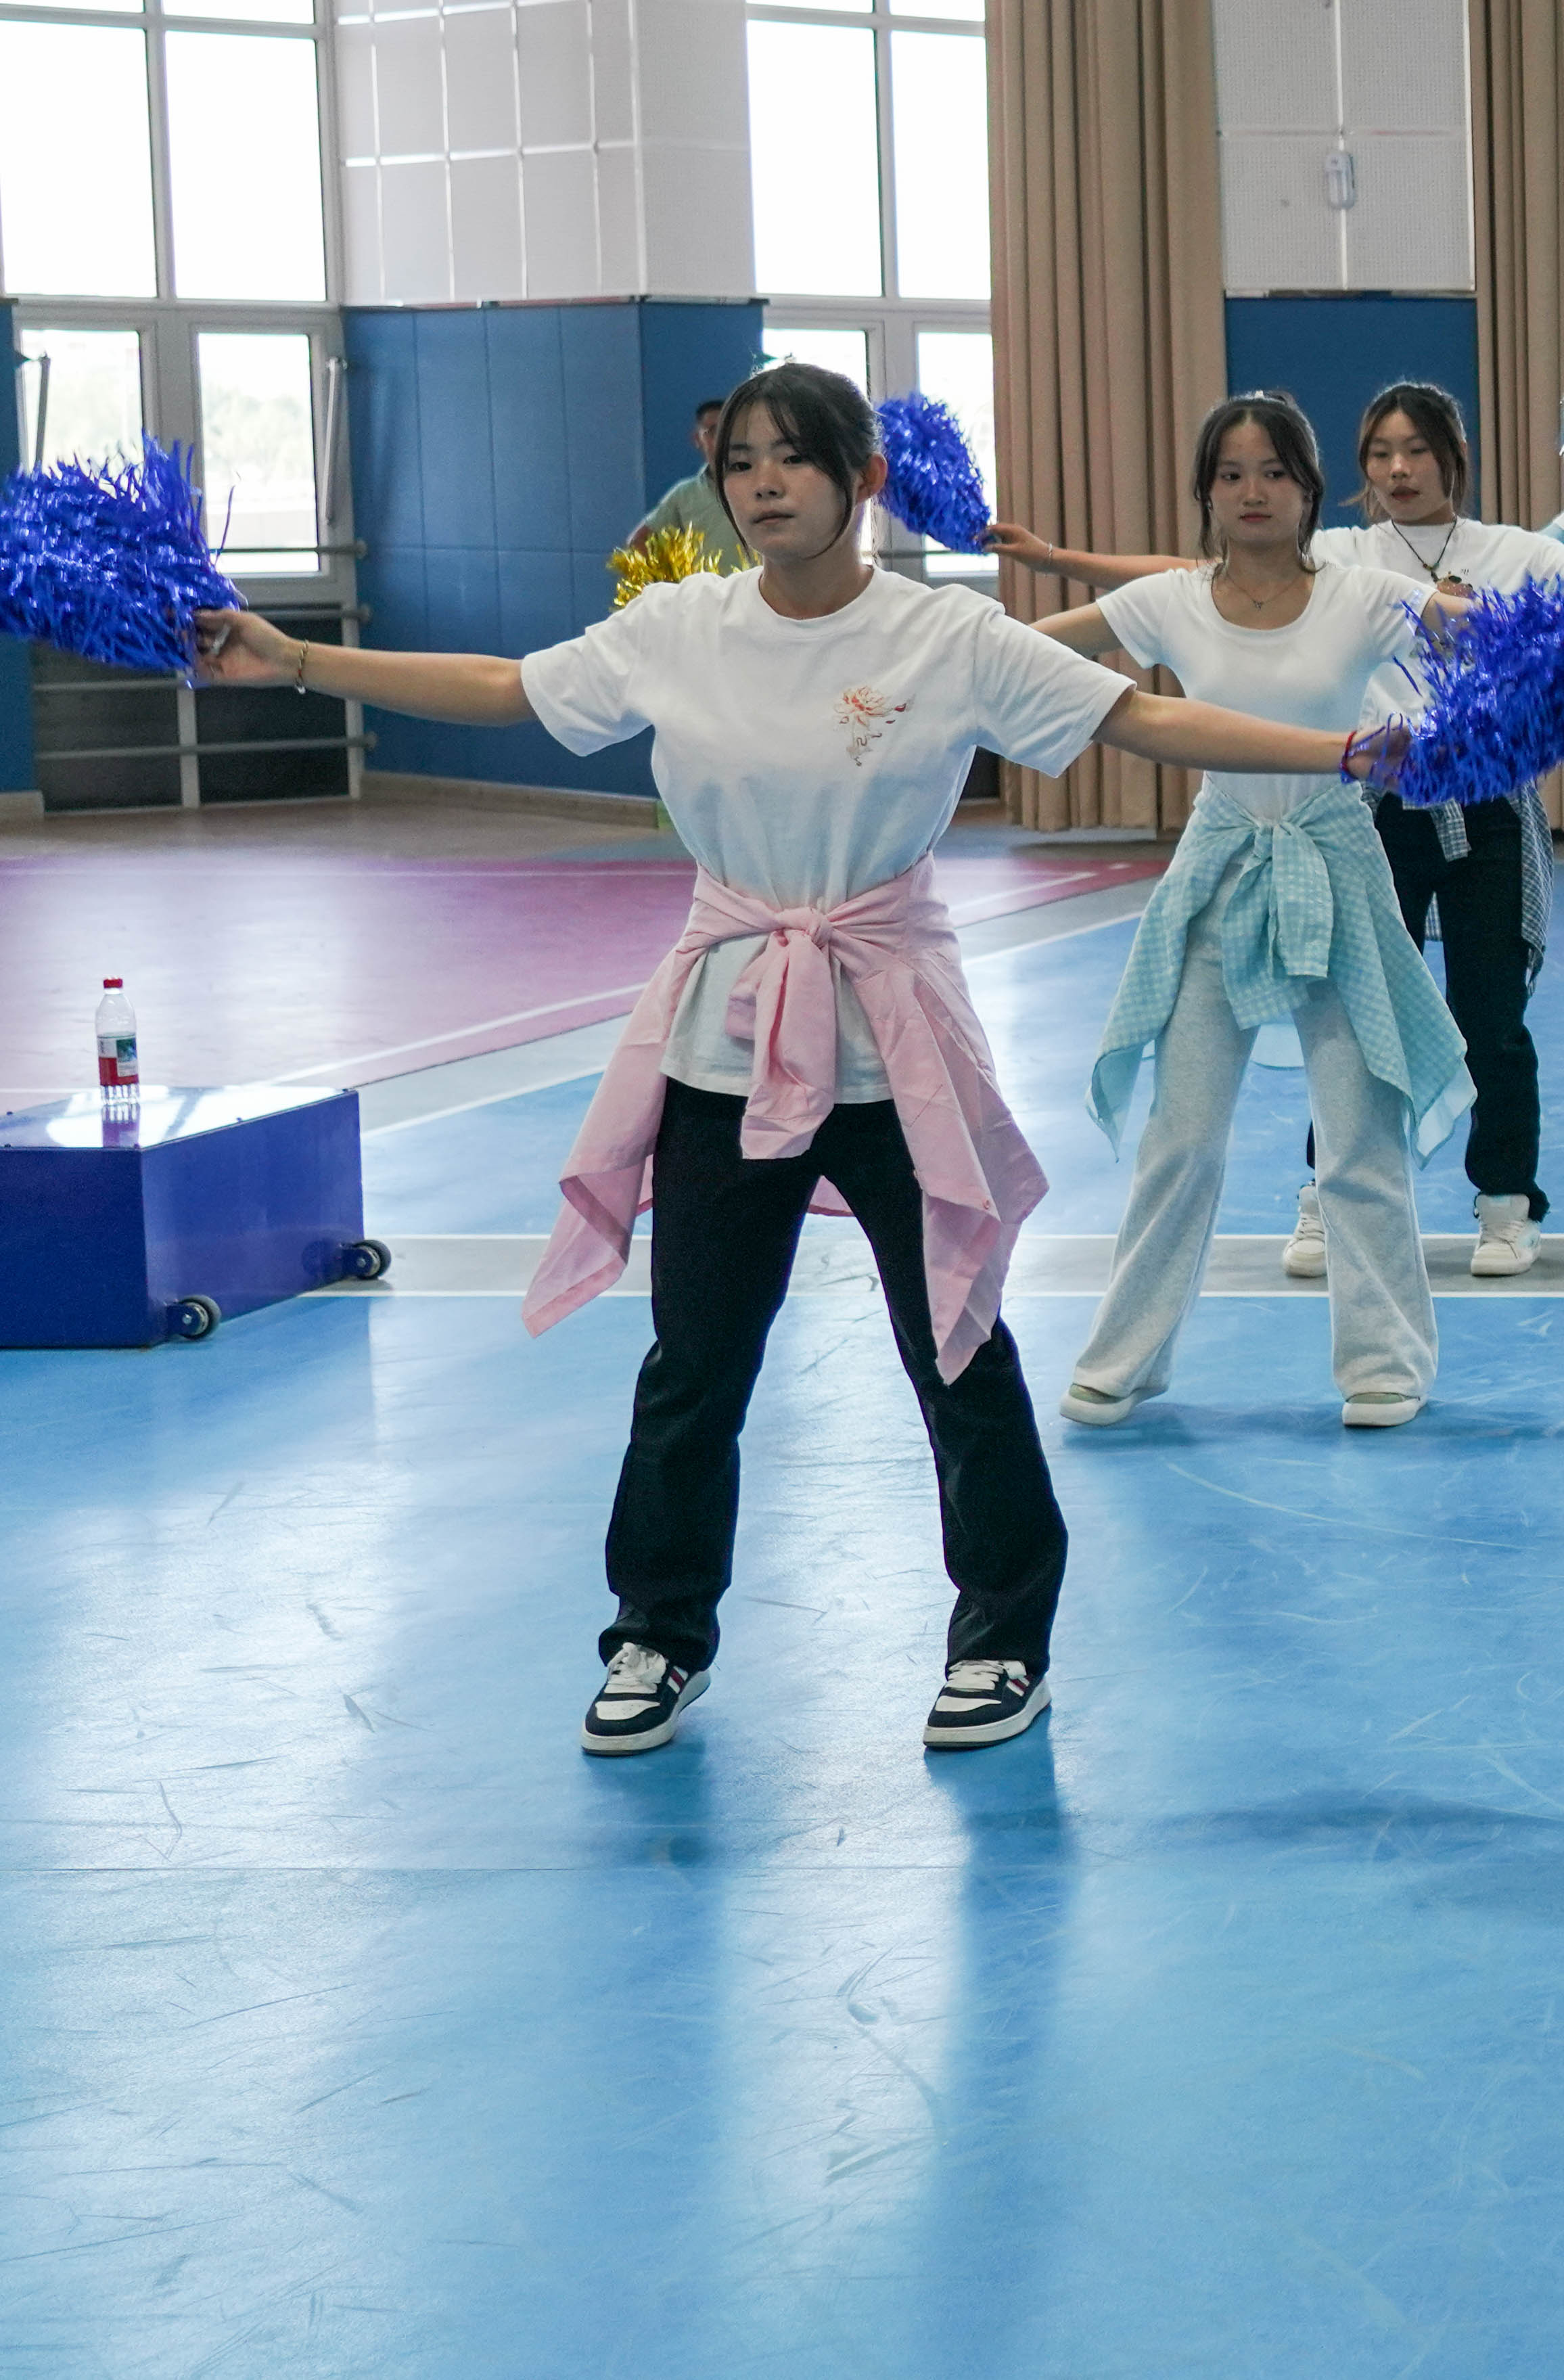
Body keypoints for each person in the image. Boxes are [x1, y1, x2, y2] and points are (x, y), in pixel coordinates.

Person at [189, 362, 1379, 1760]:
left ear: (861, 480)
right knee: (694, 1357)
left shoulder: (944, 634)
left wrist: (1343, 753)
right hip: (728, 1035)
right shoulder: (681, 626)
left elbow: (1142, 718)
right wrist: (297, 659)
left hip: (892, 1032)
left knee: (955, 1339)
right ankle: (658, 1632)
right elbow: (510, 686)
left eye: (794, 457)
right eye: (742, 459)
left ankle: (1003, 1635)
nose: (761, 482)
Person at [997, 382, 1564, 1279]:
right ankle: (1324, 1195)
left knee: (1489, 1017)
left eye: (1416, 450)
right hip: (1369, 807)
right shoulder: (1344, 553)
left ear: (1453, 457)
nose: (1398, 468)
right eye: (1381, 452)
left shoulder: (1498, 552)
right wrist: (1051, 559)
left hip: (1481, 803)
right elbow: (1178, 580)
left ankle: (1505, 1201)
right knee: (1339, 1018)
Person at [1015, 396, 1486, 1433]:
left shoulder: (1366, 593)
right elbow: (1026, 653)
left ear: (1309, 488)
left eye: (1273, 471)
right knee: (1180, 1134)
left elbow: (1495, 635)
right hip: (1219, 867)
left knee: (1358, 1134)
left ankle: (1385, 1361)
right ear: (1206, 492)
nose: (1252, 492)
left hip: (1339, 863)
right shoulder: (1171, 601)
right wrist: (910, 665)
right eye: (1229, 474)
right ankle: (1125, 1356)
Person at [634, 396, 738, 557]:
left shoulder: (761, 485)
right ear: (697, 439)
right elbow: (640, 541)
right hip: (706, 575)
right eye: (714, 431)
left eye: (729, 430)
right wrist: (669, 573)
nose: (723, 438)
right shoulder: (684, 495)